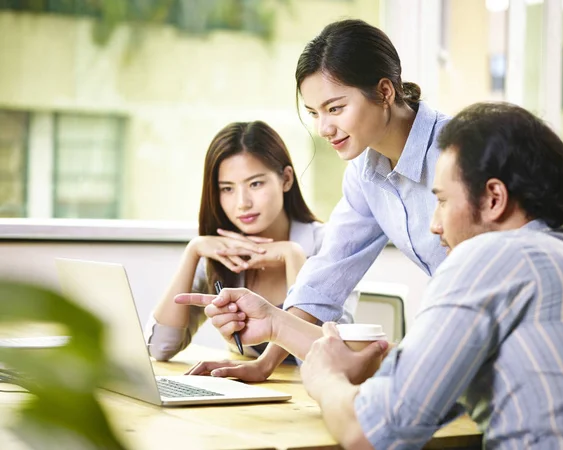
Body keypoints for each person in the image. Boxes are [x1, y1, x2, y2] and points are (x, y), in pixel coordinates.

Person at [180, 102, 563, 448]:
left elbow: (372, 431)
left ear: (493, 198)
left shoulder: (489, 257)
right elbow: (424, 373)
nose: (434, 226)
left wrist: (325, 380)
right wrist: (276, 323)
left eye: (440, 202)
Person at [182, 18, 450, 380]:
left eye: (335, 108)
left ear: (385, 91)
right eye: (314, 113)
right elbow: (325, 277)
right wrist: (263, 364)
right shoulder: (364, 172)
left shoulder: (458, 149)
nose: (323, 128)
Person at [144, 120, 323, 362]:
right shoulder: (221, 254)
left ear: (286, 179)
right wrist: (193, 251)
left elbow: (324, 355)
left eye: (255, 184)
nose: (242, 203)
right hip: (256, 392)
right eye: (227, 189)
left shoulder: (326, 245)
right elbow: (160, 348)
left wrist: (292, 256)